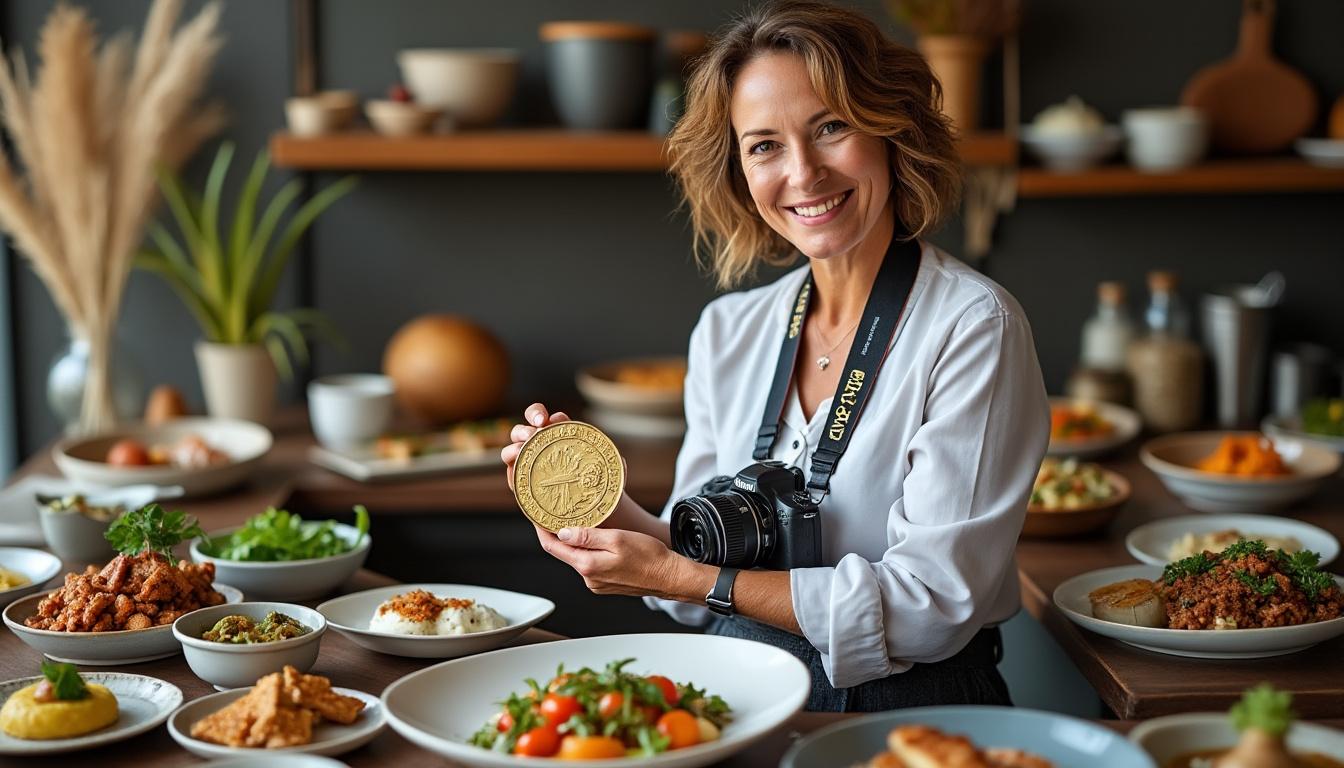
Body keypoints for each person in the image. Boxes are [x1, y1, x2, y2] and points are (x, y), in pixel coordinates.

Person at [501, 0, 1048, 712]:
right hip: (737, 696)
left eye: (831, 127)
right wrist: (603, 519)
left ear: (891, 130)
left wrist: (682, 579)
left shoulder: (974, 326)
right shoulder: (729, 331)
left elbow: (929, 607)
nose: (804, 173)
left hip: (917, 709)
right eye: (764, 145)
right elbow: (693, 569)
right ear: (738, 169)